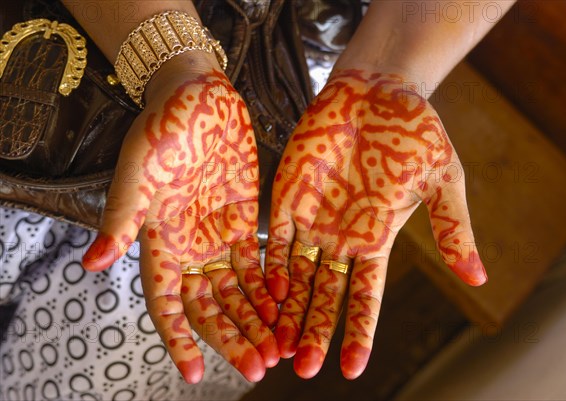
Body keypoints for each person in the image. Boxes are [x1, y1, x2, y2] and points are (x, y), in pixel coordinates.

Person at [0, 0, 516, 399]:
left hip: (293, 112)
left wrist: (391, 72)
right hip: (53, 50)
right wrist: (172, 58)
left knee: (151, 353)